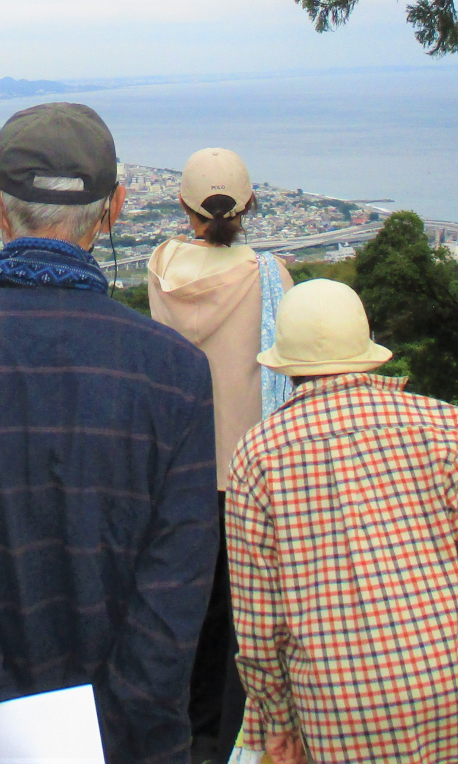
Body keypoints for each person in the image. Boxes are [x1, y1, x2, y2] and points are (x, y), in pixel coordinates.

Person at [0, 103, 219, 763]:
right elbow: (176, 587)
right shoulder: (174, 375)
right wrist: (109, 729)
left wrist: (2, 724)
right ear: (115, 207)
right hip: (133, 743)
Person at [226, 277, 458, 764]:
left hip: (334, 706)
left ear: (287, 367)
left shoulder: (257, 454)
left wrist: (276, 719)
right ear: (368, 351)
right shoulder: (440, 424)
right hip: (449, 687)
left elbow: (260, 618)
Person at [146, 146, 292, 763]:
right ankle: (243, 736)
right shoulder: (271, 276)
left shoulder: (160, 269)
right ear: (251, 203)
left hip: (180, 472)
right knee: (249, 614)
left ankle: (190, 733)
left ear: (184, 207)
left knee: (188, 610)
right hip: (249, 472)